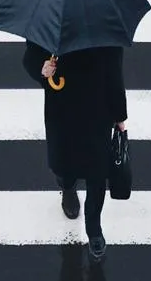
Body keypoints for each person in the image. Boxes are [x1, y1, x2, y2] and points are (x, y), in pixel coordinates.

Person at [22, 41, 127, 262]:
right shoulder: (52, 24)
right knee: (64, 164)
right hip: (62, 108)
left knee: (97, 174)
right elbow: (30, 58)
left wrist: (119, 115)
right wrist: (41, 70)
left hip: (97, 110)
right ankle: (67, 188)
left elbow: (114, 72)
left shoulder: (105, 29)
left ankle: (94, 228)